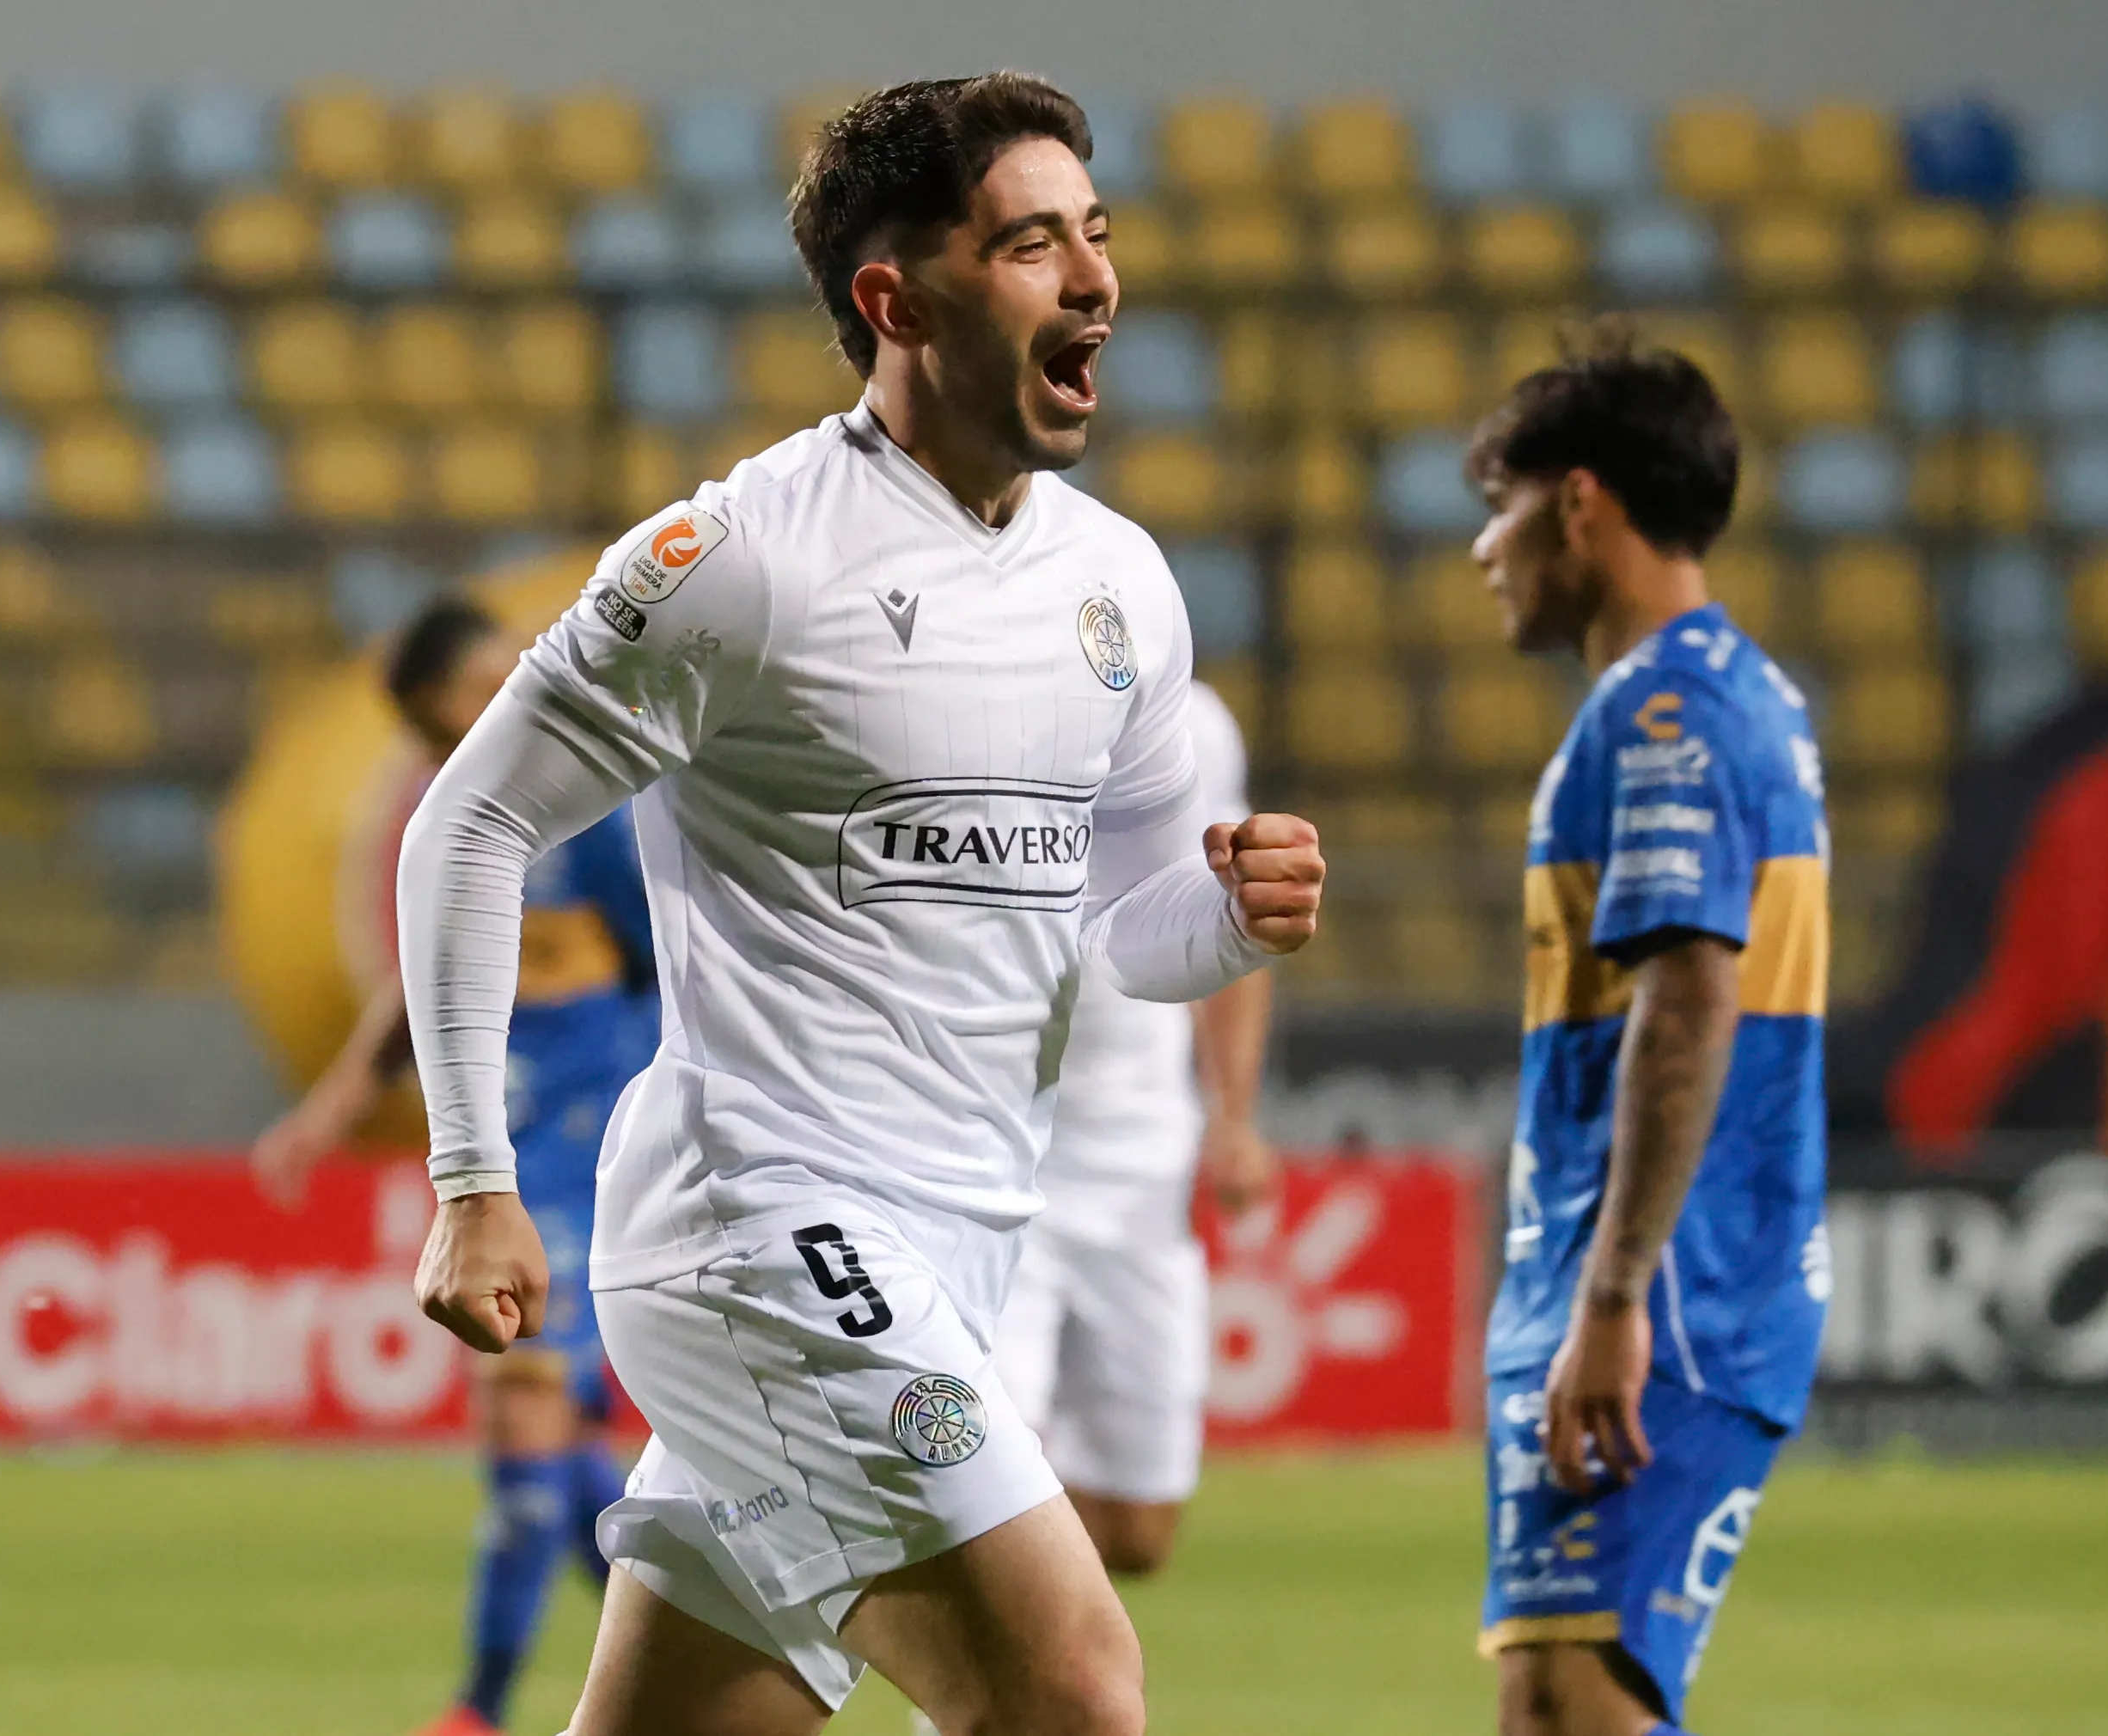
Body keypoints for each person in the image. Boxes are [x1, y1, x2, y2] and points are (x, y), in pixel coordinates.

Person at [391, 74, 1325, 1736]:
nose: (1093, 281)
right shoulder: (739, 559)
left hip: (958, 1251)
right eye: (1028, 245)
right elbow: (467, 824)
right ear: (894, 303)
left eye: (1094, 234)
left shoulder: (1119, 588)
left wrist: (1231, 920)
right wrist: (472, 1180)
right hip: (761, 1230)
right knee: (1071, 1689)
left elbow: (1120, 934)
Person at [1464, 322, 1830, 1736]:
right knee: (1552, 1703)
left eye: (1498, 506)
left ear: (1576, 503)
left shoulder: (1669, 715)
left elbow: (1687, 998)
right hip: (1656, 1285)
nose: (1482, 549)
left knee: (1572, 1704)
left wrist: (1614, 1296)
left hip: (1665, 1297)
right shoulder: (1728, 696)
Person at [249, 596, 658, 1736]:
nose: (480, 722)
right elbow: (424, 978)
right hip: (514, 1143)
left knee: (521, 1400)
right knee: (555, 1439)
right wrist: (333, 1107)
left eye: (486, 692)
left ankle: (476, 1711)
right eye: (451, 719)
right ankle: (719, 1656)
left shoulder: (594, 807)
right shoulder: (459, 818)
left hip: (587, 1140)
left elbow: (676, 957)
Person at [993, 680, 1274, 1578]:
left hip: (1139, 1153)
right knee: (983, 1485)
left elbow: (1233, 916)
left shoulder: (1192, 720)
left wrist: (1232, 1118)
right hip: (991, 1148)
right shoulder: (976, 685)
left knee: (1138, 1529)